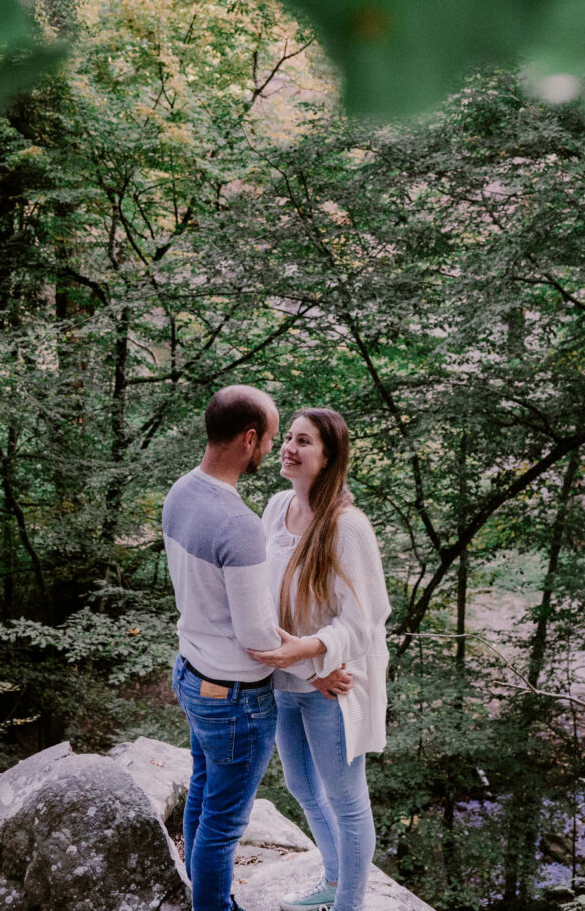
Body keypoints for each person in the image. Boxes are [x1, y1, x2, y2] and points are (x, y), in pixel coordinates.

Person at [163, 385, 336, 911]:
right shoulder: (238, 522)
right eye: (271, 438)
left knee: (202, 793)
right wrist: (317, 664)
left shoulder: (181, 492)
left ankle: (204, 898)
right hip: (234, 698)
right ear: (249, 438)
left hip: (192, 673)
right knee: (223, 825)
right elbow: (258, 636)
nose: (273, 449)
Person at [249, 408, 391, 911]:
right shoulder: (275, 508)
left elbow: (363, 619)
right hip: (284, 677)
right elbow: (259, 594)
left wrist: (311, 654)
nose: (288, 446)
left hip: (332, 681)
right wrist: (288, 658)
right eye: (287, 437)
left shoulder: (347, 526)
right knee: (302, 786)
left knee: (347, 801)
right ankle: (332, 882)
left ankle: (349, 905)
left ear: (328, 457)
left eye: (303, 440)